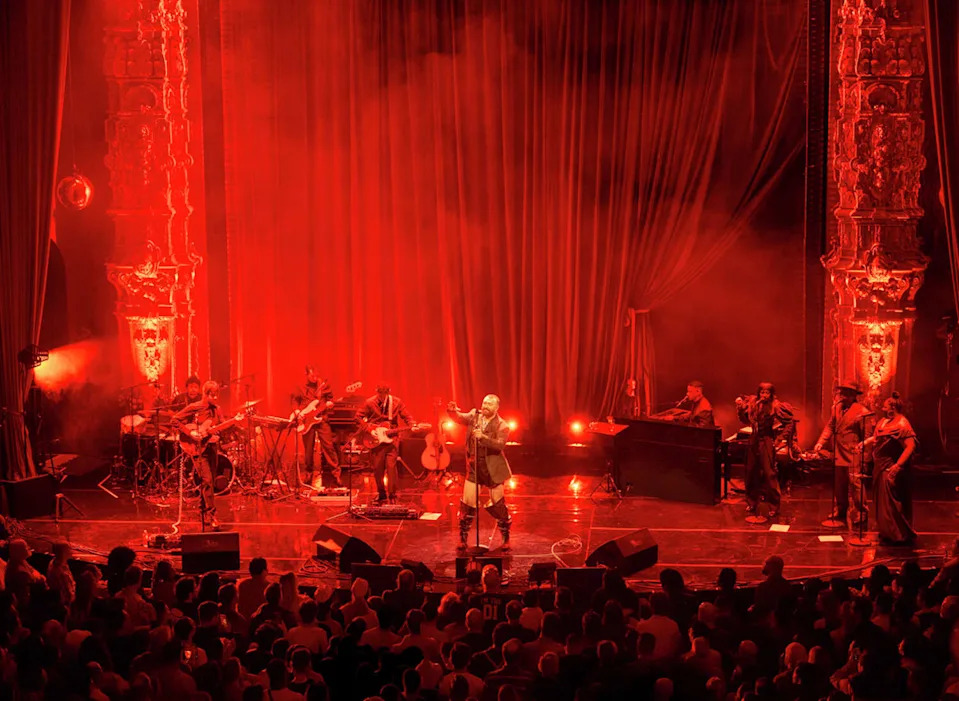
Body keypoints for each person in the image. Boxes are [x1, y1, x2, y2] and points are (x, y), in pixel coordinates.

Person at [447, 394, 513, 551]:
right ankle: (463, 538)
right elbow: (459, 418)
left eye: (489, 404)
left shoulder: (502, 425)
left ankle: (506, 538)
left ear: (496, 408)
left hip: (493, 469)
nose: (485, 406)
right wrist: (451, 412)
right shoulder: (474, 416)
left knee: (498, 505)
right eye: (484, 402)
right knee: (467, 503)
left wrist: (482, 437)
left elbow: (499, 445)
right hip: (474, 468)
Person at [814, 380, 873, 527]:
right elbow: (830, 426)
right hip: (839, 452)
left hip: (854, 453)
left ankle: (861, 511)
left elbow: (867, 436)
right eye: (842, 393)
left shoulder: (862, 412)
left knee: (855, 484)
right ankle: (841, 509)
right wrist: (821, 441)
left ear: (854, 395)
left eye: (847, 393)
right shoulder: (836, 408)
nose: (843, 396)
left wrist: (865, 458)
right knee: (839, 484)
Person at [862, 392, 918, 545]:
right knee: (881, 502)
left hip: (889, 467)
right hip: (879, 466)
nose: (882, 406)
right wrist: (865, 443)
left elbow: (910, 446)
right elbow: (877, 438)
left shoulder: (902, 423)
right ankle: (886, 531)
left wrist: (898, 465)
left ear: (892, 407)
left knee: (891, 503)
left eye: (885, 404)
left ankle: (898, 534)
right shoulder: (884, 421)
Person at [736, 382, 794, 521]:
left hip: (767, 440)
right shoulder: (754, 404)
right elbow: (745, 420)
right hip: (754, 439)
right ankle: (752, 503)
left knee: (769, 474)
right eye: (762, 392)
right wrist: (739, 408)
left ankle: (774, 506)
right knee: (750, 471)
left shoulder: (776, 406)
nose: (764, 395)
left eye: (767, 393)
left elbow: (789, 422)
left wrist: (780, 438)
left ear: (771, 394)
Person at [173, 380, 223, 530]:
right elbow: (174, 420)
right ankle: (212, 515)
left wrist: (219, 430)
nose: (215, 398)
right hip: (197, 447)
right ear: (206, 394)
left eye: (217, 395)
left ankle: (202, 509)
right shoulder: (195, 407)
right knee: (207, 480)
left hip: (212, 447)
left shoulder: (217, 409)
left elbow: (221, 425)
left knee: (210, 482)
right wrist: (190, 432)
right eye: (213, 395)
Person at [356, 383, 415, 504]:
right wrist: (369, 430)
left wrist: (412, 424)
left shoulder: (397, 402)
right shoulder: (369, 402)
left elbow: (407, 416)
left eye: (384, 393)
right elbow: (358, 417)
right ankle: (381, 494)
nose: (382, 396)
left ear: (388, 392)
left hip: (392, 439)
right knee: (378, 468)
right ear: (376, 392)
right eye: (380, 394)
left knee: (391, 467)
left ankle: (393, 495)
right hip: (376, 440)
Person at [292, 366, 340, 490]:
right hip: (306, 420)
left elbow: (331, 399)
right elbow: (295, 400)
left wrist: (330, 403)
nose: (315, 378)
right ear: (307, 375)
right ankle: (308, 474)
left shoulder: (324, 385)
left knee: (329, 447)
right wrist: (297, 411)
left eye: (316, 376)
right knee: (308, 450)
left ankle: (336, 475)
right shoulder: (300, 386)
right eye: (312, 376)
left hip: (322, 418)